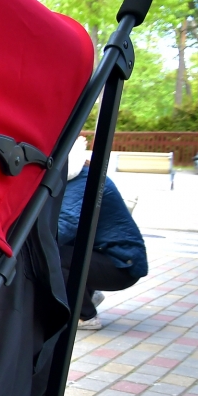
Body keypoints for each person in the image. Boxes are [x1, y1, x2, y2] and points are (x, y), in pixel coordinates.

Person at [58, 137, 148, 330]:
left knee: (49, 256)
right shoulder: (82, 175)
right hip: (112, 257)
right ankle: (88, 295)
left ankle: (86, 316)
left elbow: (64, 227)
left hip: (121, 264)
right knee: (56, 250)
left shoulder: (81, 181)